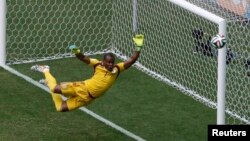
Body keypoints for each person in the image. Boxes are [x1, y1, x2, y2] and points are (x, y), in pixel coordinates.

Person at [30, 34, 144, 112]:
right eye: (108, 62)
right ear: (103, 61)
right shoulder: (97, 65)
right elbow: (84, 58)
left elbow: (131, 60)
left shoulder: (117, 69)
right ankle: (45, 69)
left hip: (87, 99)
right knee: (55, 88)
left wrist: (138, 47)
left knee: (60, 107)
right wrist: (77, 52)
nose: (111, 64)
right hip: (81, 88)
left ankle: (47, 82)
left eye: (112, 62)